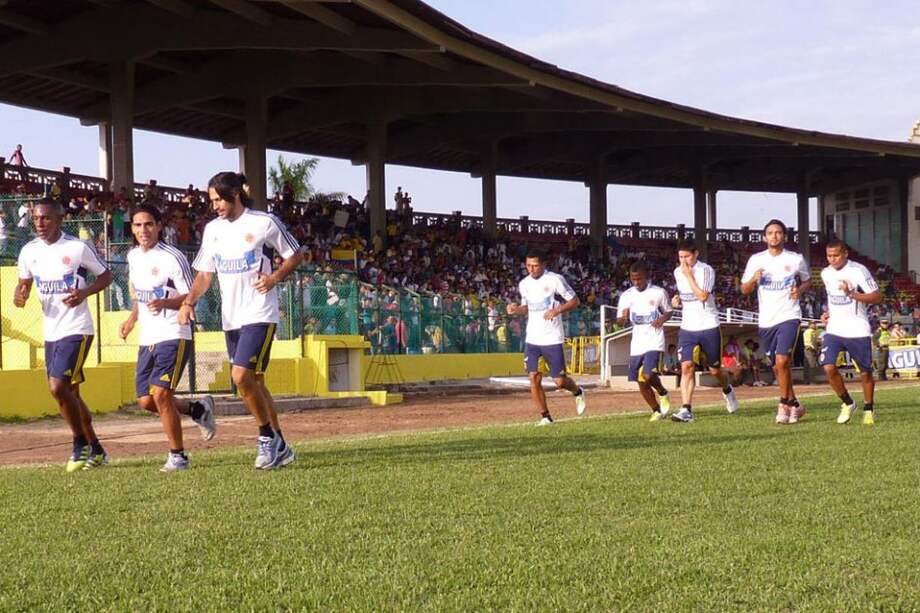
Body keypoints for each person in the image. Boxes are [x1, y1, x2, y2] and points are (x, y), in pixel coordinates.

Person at [179, 172, 304, 470]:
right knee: (254, 381)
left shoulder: (263, 222)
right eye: (212, 201)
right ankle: (280, 445)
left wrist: (274, 278)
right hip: (231, 319)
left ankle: (265, 440)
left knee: (240, 376)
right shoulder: (212, 230)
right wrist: (188, 301)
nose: (215, 206)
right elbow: (205, 274)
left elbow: (296, 254)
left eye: (219, 199)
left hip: (260, 313)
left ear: (236, 193)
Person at [14, 198, 113, 471]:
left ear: (60, 219)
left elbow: (106, 276)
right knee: (69, 395)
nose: (40, 224)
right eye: (35, 219)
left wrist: (84, 292)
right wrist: (20, 294)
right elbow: (24, 284)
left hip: (77, 329)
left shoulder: (77, 248)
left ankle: (79, 443)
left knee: (58, 387)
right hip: (51, 331)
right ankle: (97, 449)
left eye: (45, 218)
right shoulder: (28, 251)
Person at [118, 204, 217, 472]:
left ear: (159, 226)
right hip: (147, 337)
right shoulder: (133, 257)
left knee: (161, 393)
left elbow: (191, 295)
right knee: (146, 401)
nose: (143, 230)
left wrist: (166, 304)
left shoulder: (173, 257)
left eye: (148, 224)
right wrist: (131, 319)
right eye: (137, 225)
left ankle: (178, 456)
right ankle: (198, 409)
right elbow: (140, 295)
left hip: (174, 333)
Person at [741, 219, 811, 424]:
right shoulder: (756, 260)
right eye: (770, 233)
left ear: (785, 236)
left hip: (789, 315)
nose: (774, 236)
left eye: (778, 233)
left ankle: (783, 404)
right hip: (766, 320)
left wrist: (799, 290)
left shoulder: (795, 259)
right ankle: (796, 404)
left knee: (782, 361)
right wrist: (754, 278)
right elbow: (744, 290)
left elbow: (807, 280)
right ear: (764, 237)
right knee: (776, 367)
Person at [506, 250, 585, 426]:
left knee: (559, 381)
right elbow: (527, 308)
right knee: (533, 377)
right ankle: (545, 416)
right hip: (532, 338)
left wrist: (556, 310)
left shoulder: (555, 280)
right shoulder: (524, 284)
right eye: (528, 265)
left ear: (543, 265)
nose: (531, 269)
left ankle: (577, 391)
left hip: (552, 337)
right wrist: (516, 310)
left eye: (535, 265)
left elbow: (575, 301)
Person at [669, 240, 738, 423]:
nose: (684, 261)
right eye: (681, 257)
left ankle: (727, 389)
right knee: (686, 367)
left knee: (715, 370)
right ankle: (686, 409)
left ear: (696, 254)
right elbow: (688, 296)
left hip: (708, 324)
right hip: (688, 327)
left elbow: (702, 296)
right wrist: (678, 301)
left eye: (687, 256)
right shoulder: (678, 272)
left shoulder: (705, 270)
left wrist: (689, 276)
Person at [819, 240, 882, 425]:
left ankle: (869, 408)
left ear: (845, 253)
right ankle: (848, 403)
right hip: (835, 329)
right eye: (829, 256)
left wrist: (852, 294)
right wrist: (827, 313)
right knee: (828, 367)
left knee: (865, 372)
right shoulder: (825, 273)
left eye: (836, 255)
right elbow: (832, 298)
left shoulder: (858, 270)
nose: (832, 259)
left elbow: (877, 296)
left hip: (857, 328)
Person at [616, 261, 673, 421]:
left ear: (646, 276)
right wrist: (623, 318)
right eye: (633, 279)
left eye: (639, 279)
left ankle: (662, 392)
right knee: (639, 380)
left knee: (647, 375)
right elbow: (620, 321)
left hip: (654, 339)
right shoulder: (627, 295)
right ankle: (656, 410)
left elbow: (669, 311)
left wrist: (662, 319)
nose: (636, 282)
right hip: (637, 342)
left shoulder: (659, 293)